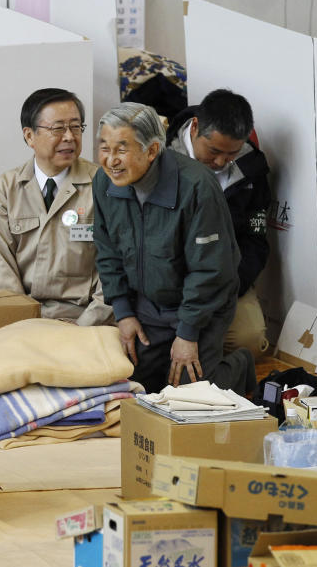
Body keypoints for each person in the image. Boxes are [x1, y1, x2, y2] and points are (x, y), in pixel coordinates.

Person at [92, 102, 255, 395]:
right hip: (147, 307)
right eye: (104, 148)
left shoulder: (197, 186)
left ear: (152, 150)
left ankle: (239, 365)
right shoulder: (103, 182)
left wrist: (188, 332)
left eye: (121, 149)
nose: (111, 160)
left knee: (190, 395)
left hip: (200, 307)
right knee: (134, 388)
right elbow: (108, 253)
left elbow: (210, 271)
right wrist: (124, 313)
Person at [0, 88, 111, 325]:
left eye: (75, 127)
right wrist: (24, 324)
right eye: (58, 128)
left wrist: (84, 326)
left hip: (86, 320)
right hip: (24, 321)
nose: (70, 137)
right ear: (29, 136)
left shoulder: (103, 186)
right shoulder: (4, 190)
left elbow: (114, 272)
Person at [167, 89, 271, 358]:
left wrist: (230, 285)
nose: (220, 162)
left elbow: (255, 238)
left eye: (231, 154)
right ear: (195, 128)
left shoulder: (252, 167)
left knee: (249, 340)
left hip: (228, 279)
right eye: (213, 151)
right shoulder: (160, 157)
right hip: (169, 278)